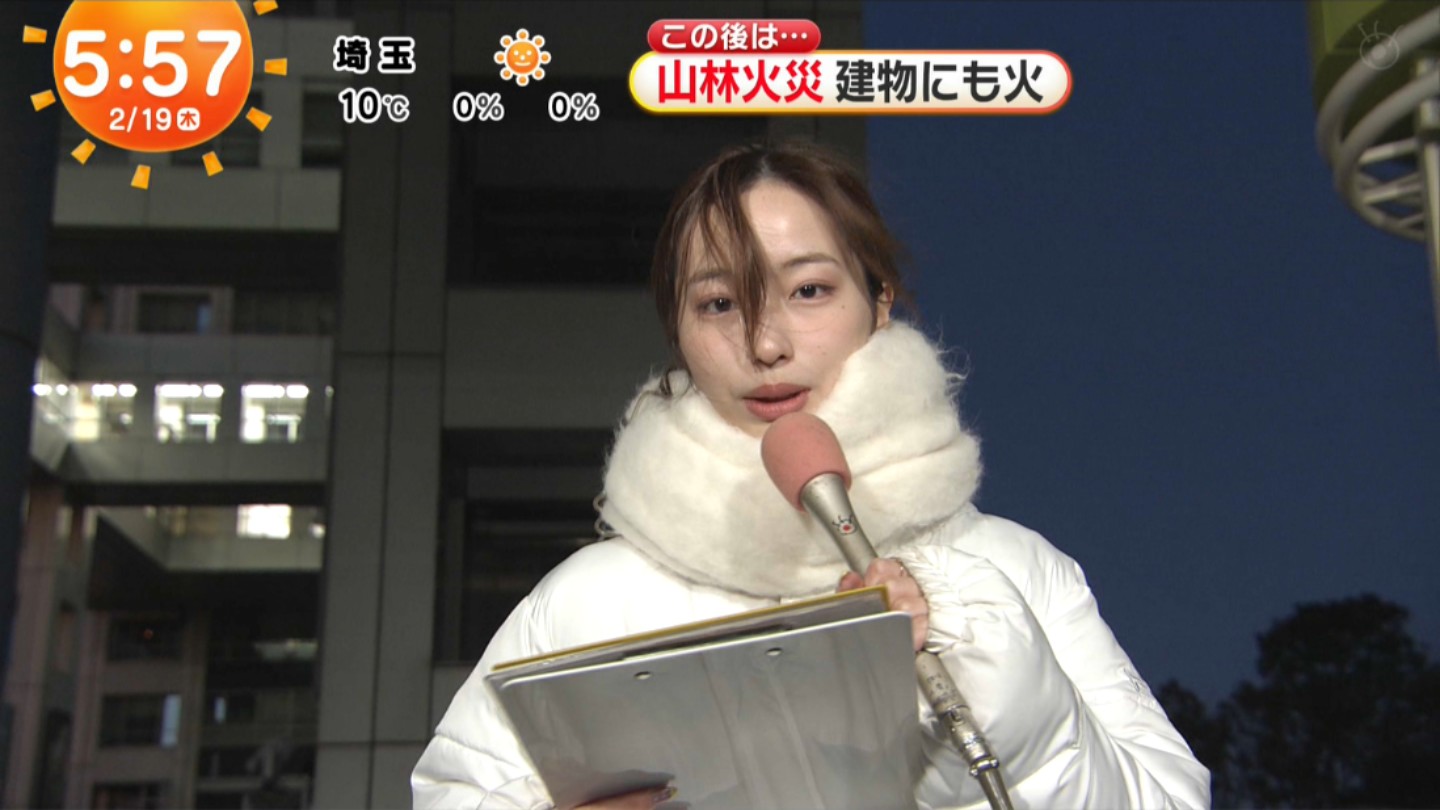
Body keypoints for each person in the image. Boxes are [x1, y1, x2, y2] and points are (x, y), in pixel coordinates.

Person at [412, 141, 1211, 810]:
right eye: (718, 304)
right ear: (677, 331)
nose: (766, 344)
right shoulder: (584, 601)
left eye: (809, 290)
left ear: (880, 301)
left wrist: (988, 681)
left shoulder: (1010, 571)